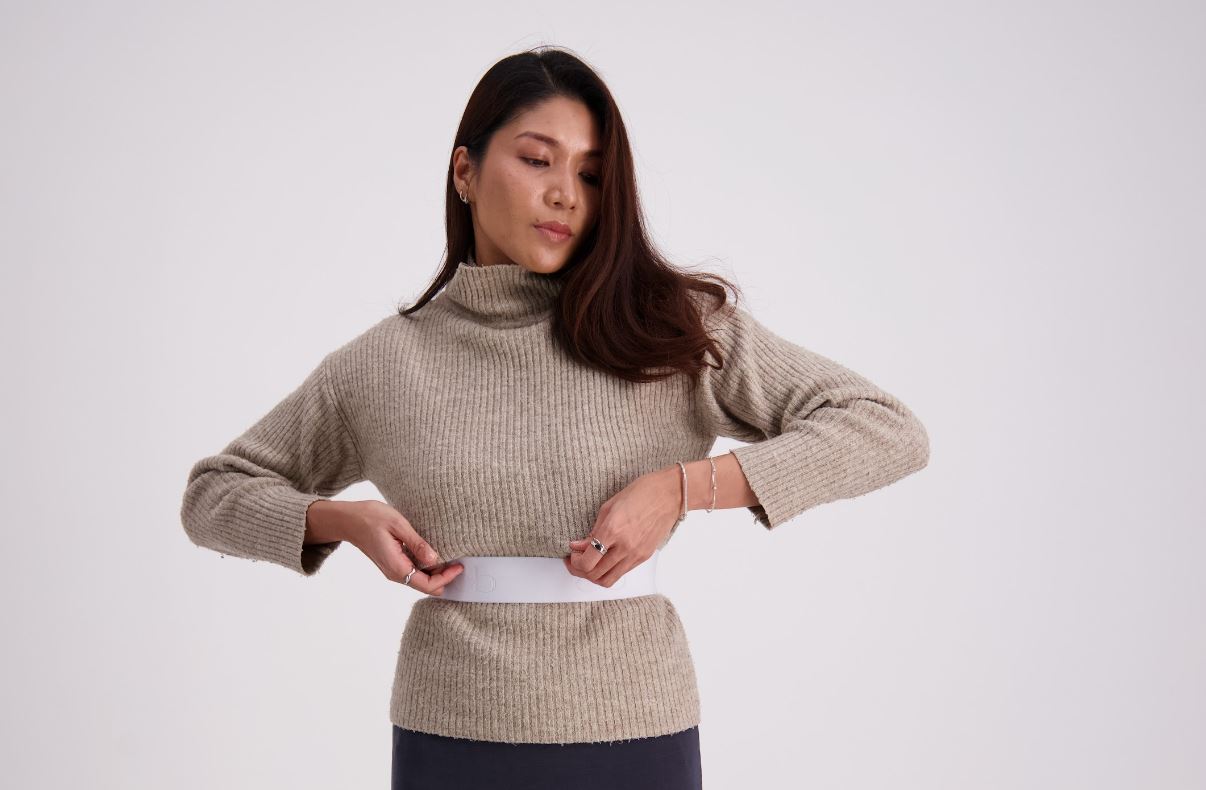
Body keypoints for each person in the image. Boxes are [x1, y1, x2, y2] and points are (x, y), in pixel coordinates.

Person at [180, 46, 930, 790]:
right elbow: (214, 493)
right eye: (538, 160)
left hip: (635, 732)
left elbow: (884, 426)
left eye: (591, 175)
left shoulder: (670, 329)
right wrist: (342, 521)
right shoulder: (380, 365)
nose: (566, 194)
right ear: (465, 171)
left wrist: (681, 488)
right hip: (451, 737)